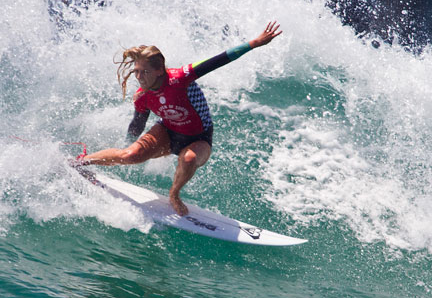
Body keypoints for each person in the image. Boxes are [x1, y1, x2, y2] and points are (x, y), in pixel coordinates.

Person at [78, 22, 282, 215]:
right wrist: (127, 148)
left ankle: (174, 194)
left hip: (199, 138)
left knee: (189, 158)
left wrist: (254, 43)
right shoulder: (143, 96)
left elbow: (217, 60)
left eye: (144, 72)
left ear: (160, 70)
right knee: (130, 156)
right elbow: (137, 125)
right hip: (167, 132)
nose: (139, 77)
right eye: (136, 72)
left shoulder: (180, 78)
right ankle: (81, 161)